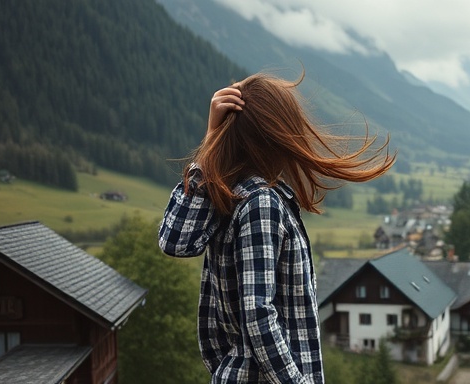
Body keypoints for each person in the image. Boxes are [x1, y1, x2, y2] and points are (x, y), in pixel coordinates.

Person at [158, 72, 395, 383]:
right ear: (276, 138)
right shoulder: (261, 204)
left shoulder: (231, 195)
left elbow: (174, 241)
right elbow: (257, 315)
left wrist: (212, 140)